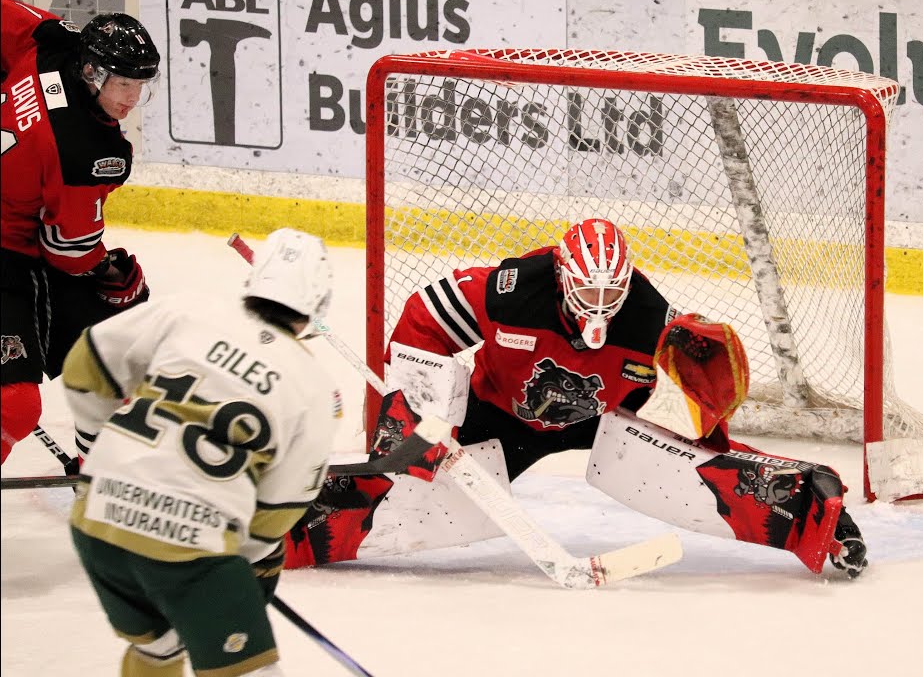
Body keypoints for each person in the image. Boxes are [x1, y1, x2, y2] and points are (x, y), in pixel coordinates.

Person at [285, 217, 868, 579]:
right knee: (415, 492)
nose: (602, 301)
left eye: (613, 289)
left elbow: (705, 406)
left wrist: (709, 401)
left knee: (694, 475)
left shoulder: (649, 319)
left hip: (601, 421)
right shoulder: (513, 291)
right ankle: (291, 524)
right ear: (563, 274)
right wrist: (422, 414)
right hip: (498, 414)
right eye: (588, 287)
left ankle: (809, 515)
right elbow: (422, 319)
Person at [64, 228, 342, 676]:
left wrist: (100, 449)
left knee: (160, 648)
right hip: (190, 551)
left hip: (95, 524)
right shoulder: (315, 390)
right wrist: (237, 557)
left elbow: (85, 364)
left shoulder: (188, 310)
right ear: (318, 306)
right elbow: (279, 509)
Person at [1, 0, 160, 465]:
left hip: (16, 232)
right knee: (16, 404)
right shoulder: (89, 150)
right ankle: (101, 471)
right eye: (123, 83)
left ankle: (102, 466)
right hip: (10, 250)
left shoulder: (50, 41)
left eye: (140, 85)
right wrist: (107, 271)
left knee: (119, 344)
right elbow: (67, 251)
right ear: (92, 73)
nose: (131, 98)